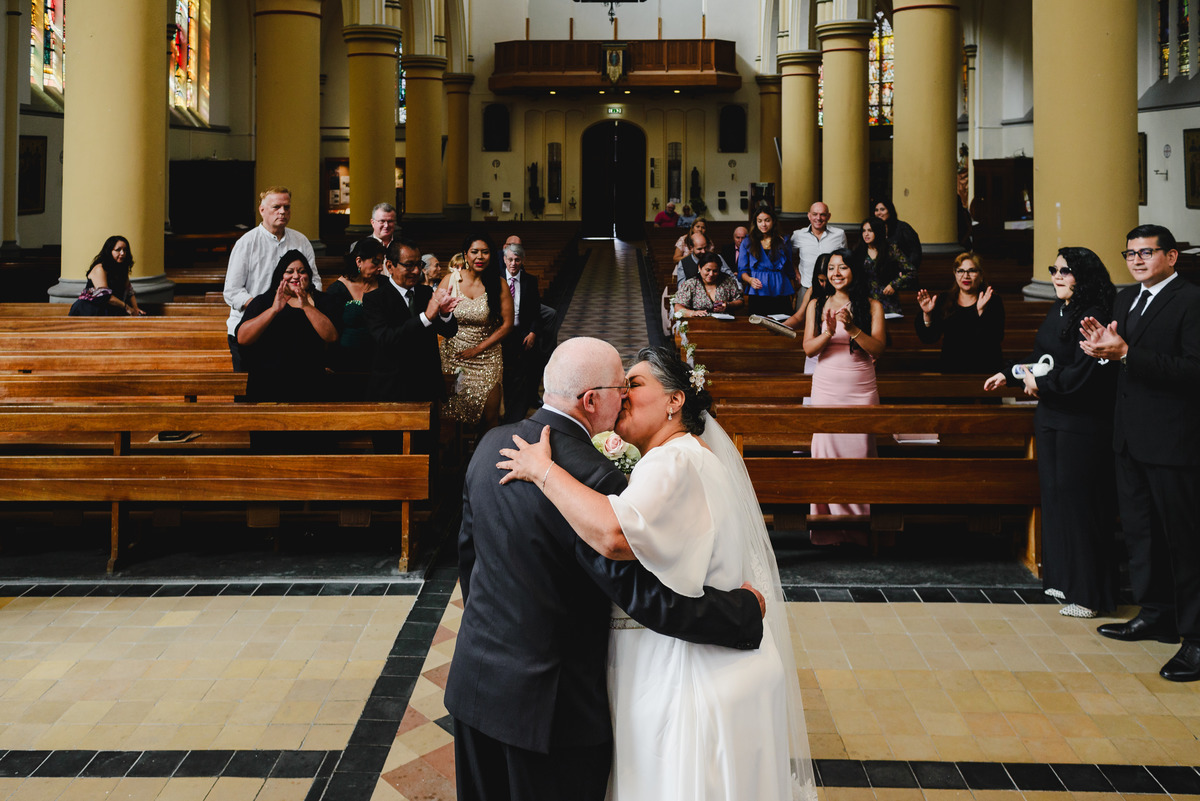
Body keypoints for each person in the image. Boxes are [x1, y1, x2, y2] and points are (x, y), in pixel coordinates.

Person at [445, 337, 769, 801]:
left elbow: (470, 560)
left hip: (474, 689)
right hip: (550, 714)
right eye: (622, 386)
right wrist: (740, 612)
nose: (625, 398)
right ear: (591, 399)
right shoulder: (597, 480)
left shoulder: (493, 444)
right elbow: (645, 597)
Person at [1080, 224, 1200, 682]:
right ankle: (1157, 614)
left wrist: (1127, 353)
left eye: (1146, 253)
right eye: (1130, 253)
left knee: (1185, 543)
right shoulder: (1127, 299)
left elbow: (1193, 370)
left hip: (1175, 441)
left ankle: (1196, 637)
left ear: (1171, 256)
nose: (1136, 260)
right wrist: (1100, 352)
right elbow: (1122, 359)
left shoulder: (1191, 300)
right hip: (1129, 437)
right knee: (1142, 533)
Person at [983, 247, 1118, 618]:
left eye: (1066, 271)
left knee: (1080, 503)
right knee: (1056, 497)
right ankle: (1063, 580)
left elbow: (1086, 374)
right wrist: (1010, 372)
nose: (1057, 276)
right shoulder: (1058, 309)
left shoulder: (1095, 316)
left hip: (1081, 421)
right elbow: (1045, 361)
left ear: (1084, 276)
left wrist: (1043, 387)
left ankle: (1090, 593)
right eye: (1054, 270)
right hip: (1051, 417)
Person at [802, 249, 886, 545]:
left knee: (859, 452)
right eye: (832, 268)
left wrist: (851, 328)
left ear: (855, 271)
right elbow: (809, 349)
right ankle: (828, 529)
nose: (837, 272)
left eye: (844, 267)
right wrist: (829, 332)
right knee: (825, 451)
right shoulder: (816, 303)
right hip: (826, 385)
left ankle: (859, 528)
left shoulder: (872, 305)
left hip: (860, 386)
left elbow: (877, 348)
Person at [223, 187, 320, 371]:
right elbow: (232, 291)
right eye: (276, 207)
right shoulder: (246, 243)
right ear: (262, 210)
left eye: (287, 207)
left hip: (291, 329)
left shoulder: (301, 241)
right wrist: (264, 309)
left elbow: (315, 282)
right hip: (251, 327)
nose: (282, 212)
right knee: (250, 392)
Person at [235, 250, 339, 402]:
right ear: (280, 276)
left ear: (309, 276)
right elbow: (243, 338)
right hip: (269, 381)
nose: (296, 276)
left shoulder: (323, 301)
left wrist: (306, 306)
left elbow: (332, 336)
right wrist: (273, 310)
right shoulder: (264, 301)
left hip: (310, 381)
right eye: (289, 272)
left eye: (302, 271)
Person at [364, 238, 459, 405]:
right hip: (393, 389)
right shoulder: (375, 299)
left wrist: (444, 314)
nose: (416, 271)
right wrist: (425, 317)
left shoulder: (426, 292)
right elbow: (386, 339)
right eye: (408, 265)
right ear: (390, 266)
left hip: (427, 388)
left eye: (419, 265)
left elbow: (449, 331)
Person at [438, 233, 514, 429]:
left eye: (485, 252)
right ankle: (455, 457)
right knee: (450, 414)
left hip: (487, 357)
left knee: (490, 417)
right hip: (453, 355)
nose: (480, 257)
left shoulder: (499, 285)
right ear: (465, 255)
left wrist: (478, 349)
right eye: (474, 252)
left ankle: (485, 456)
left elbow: (507, 325)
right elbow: (436, 315)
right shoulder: (450, 280)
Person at [913, 252, 1006, 373]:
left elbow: (995, 338)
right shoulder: (944, 299)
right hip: (952, 367)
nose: (965, 276)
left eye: (972, 271)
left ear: (981, 275)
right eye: (960, 271)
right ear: (955, 274)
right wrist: (927, 314)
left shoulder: (993, 301)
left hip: (985, 368)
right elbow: (929, 338)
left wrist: (980, 312)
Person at [325, 237, 386, 399]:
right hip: (346, 363)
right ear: (359, 261)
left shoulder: (385, 285)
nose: (380, 268)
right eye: (376, 263)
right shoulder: (337, 290)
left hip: (380, 363)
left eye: (382, 263)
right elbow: (330, 329)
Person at [501, 242, 545, 423]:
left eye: (517, 260)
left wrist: (533, 332)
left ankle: (517, 415)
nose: (513, 264)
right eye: (510, 259)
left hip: (522, 332)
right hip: (502, 333)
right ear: (504, 259)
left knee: (522, 375)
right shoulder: (497, 281)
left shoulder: (530, 281)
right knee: (505, 376)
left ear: (522, 261)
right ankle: (504, 411)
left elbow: (536, 311)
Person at [789, 201, 847, 309]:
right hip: (806, 286)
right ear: (809, 216)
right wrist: (795, 272)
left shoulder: (839, 234)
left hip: (833, 289)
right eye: (815, 214)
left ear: (829, 216)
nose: (818, 218)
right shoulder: (798, 235)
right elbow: (789, 257)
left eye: (823, 214)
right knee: (802, 322)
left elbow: (845, 260)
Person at [738, 207, 794, 316]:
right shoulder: (747, 242)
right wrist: (750, 280)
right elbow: (742, 271)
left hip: (781, 288)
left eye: (767, 220)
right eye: (760, 221)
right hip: (758, 290)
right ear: (755, 223)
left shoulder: (784, 240)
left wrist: (793, 293)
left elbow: (789, 268)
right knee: (758, 328)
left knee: (783, 325)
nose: (763, 224)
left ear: (773, 221)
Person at [70, 236, 143, 317]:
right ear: (109, 251)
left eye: (125, 250)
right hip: (88, 310)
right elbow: (105, 297)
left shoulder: (122, 269)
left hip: (110, 309)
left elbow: (129, 292)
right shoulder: (100, 268)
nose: (122, 253)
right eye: (118, 250)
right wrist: (127, 307)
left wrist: (135, 308)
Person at [855, 216, 914, 317]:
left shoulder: (891, 249)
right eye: (864, 231)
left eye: (870, 230)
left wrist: (894, 285)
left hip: (887, 300)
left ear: (878, 231)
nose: (866, 234)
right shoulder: (858, 250)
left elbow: (911, 272)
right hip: (865, 300)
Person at [673, 253, 744, 318]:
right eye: (708, 270)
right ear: (699, 268)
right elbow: (678, 307)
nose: (711, 274)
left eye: (715, 271)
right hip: (698, 323)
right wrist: (693, 313)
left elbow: (740, 301)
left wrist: (728, 305)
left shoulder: (728, 281)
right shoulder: (690, 284)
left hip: (725, 323)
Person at [872, 197, 922, 272]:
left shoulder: (903, 227)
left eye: (882, 209)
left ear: (890, 210)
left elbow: (915, 252)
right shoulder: (874, 230)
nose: (879, 213)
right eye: (876, 210)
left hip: (903, 273)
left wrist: (907, 270)